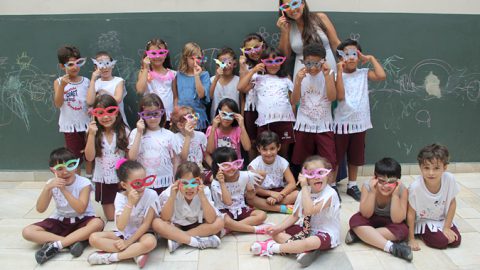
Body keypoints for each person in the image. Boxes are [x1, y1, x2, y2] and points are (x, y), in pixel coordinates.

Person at [250, 156, 340, 267]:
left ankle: (272, 247)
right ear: (305, 177)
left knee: (309, 242)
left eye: (321, 172)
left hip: (325, 233)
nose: (316, 177)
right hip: (306, 229)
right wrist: (277, 228)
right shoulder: (304, 192)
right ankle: (307, 250)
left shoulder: (330, 194)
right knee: (277, 233)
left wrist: (304, 187)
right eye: (311, 174)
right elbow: (295, 216)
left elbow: (309, 210)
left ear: (328, 175)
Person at [22, 147, 104, 264]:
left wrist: (64, 190)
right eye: (59, 168)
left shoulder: (84, 183)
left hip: (82, 220)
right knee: (27, 232)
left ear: (76, 167)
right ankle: (71, 242)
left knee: (98, 223)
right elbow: (40, 209)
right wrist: (47, 188)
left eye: (70, 166)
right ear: (52, 171)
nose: (65, 171)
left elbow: (81, 209)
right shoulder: (51, 184)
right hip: (61, 220)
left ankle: (56, 245)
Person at [333, 38, 386, 201]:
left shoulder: (363, 74)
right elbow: (340, 96)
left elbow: (381, 75)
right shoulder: (335, 75)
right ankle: (332, 186)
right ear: (341, 57)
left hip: (359, 123)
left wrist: (370, 59)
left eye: (354, 54)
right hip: (341, 123)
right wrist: (339, 72)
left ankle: (352, 185)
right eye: (346, 54)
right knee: (336, 156)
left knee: (355, 156)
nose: (350, 58)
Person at [88, 159, 158, 268]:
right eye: (138, 183)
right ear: (124, 185)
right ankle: (135, 253)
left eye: (145, 180)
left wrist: (128, 242)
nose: (143, 186)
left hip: (142, 234)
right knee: (93, 238)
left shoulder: (151, 195)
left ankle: (111, 257)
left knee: (150, 242)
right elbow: (120, 226)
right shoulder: (120, 198)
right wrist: (129, 203)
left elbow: (146, 225)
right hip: (123, 235)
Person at [291, 42, 337, 194]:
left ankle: (331, 187)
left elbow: (332, 97)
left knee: (329, 158)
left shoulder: (329, 74)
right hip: (304, 124)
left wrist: (327, 76)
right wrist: (297, 81)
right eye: (308, 63)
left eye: (316, 63)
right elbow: (294, 100)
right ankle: (304, 185)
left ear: (323, 61)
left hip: (324, 124)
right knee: (302, 157)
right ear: (303, 61)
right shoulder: (300, 74)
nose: (312, 67)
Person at [346, 158, 412, 261]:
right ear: (375, 178)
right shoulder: (368, 186)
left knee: (403, 230)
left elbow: (397, 220)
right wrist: (372, 192)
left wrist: (395, 196)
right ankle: (392, 247)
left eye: (391, 182)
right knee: (355, 220)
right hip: (372, 217)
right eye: (381, 181)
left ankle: (360, 235)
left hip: (390, 221)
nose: (385, 186)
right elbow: (366, 214)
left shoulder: (402, 190)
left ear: (398, 181)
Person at [152, 162, 224, 253]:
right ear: (177, 183)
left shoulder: (204, 191)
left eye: (193, 183)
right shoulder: (169, 192)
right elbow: (165, 218)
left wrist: (202, 197)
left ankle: (179, 240)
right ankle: (197, 242)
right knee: (156, 223)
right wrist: (172, 197)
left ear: (200, 181)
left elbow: (211, 219)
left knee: (219, 222)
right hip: (176, 226)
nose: (189, 187)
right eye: (185, 183)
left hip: (198, 226)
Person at [238, 47, 296, 158]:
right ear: (263, 63)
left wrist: (293, 120)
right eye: (269, 62)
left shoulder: (286, 78)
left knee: (283, 154)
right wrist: (253, 71)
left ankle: (282, 174)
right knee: (265, 152)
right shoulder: (258, 77)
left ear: (282, 61)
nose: (273, 65)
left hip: (285, 121)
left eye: (277, 61)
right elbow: (241, 87)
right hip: (265, 122)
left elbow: (292, 101)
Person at [408, 144, 461, 250]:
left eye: (436, 168)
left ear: (444, 167)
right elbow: (410, 213)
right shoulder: (415, 187)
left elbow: (452, 203)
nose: (431, 173)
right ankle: (422, 234)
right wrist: (411, 239)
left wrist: (446, 227)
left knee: (455, 241)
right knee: (441, 242)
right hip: (424, 221)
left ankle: (443, 229)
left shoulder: (449, 179)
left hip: (442, 219)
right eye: (426, 168)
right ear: (420, 167)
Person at [85, 95, 129, 220]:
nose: (105, 116)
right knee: (111, 218)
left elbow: (129, 157)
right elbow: (89, 157)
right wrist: (92, 135)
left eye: (110, 111)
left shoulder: (123, 131)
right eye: (100, 113)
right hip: (103, 179)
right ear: (94, 115)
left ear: (117, 112)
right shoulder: (93, 133)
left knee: (125, 214)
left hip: (121, 179)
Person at [210, 147, 270, 236]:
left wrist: (253, 190)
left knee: (262, 215)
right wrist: (222, 183)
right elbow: (228, 202)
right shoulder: (216, 183)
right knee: (223, 220)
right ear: (218, 167)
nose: (231, 168)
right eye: (226, 165)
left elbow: (263, 174)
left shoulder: (244, 176)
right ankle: (250, 229)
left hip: (240, 208)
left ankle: (230, 229)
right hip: (225, 211)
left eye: (234, 163)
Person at [277, 0, 341, 83]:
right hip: (303, 74)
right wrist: (284, 31)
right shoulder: (288, 27)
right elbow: (285, 56)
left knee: (330, 95)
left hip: (327, 68)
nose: (292, 9)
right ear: (283, 10)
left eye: (295, 3)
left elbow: (335, 43)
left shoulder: (320, 18)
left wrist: (346, 64)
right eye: (286, 6)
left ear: (303, 4)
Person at [53, 45, 92, 176]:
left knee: (89, 153)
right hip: (70, 126)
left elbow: (91, 101)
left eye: (78, 63)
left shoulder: (86, 81)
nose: (75, 67)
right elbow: (58, 104)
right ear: (62, 66)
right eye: (70, 64)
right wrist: (62, 86)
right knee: (74, 156)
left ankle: (89, 177)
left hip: (86, 123)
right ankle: (78, 179)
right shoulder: (59, 82)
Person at [128, 93, 176, 195]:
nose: (152, 118)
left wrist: (175, 181)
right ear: (141, 115)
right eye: (148, 114)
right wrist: (139, 133)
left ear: (162, 113)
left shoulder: (169, 135)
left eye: (156, 114)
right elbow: (132, 158)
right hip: (144, 183)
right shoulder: (135, 133)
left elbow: (175, 161)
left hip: (165, 182)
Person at [247, 131, 298, 214]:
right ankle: (281, 208)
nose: (268, 153)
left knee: (297, 194)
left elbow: (292, 183)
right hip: (262, 192)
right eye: (264, 149)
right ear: (258, 149)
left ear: (278, 147)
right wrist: (270, 193)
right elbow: (252, 187)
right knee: (250, 198)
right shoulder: (254, 165)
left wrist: (279, 196)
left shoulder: (282, 162)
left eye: (272, 148)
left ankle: (266, 206)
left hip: (279, 192)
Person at [237, 33, 267, 161]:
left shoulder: (271, 62)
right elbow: (242, 88)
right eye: (248, 49)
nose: (253, 52)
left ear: (263, 46)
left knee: (266, 141)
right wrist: (243, 66)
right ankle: (253, 168)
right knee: (252, 142)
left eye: (256, 47)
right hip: (251, 108)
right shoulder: (247, 66)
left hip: (266, 109)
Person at [136, 38, 176, 127]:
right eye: (153, 53)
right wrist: (146, 68)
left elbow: (175, 96)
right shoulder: (144, 72)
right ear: (147, 55)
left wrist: (175, 114)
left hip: (168, 117)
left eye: (161, 53)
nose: (157, 56)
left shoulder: (172, 74)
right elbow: (140, 90)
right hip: (150, 116)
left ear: (166, 54)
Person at [173, 42, 211, 131]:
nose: (195, 61)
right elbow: (176, 97)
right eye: (192, 58)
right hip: (181, 118)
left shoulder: (204, 75)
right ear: (185, 58)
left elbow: (201, 95)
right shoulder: (178, 75)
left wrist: (197, 75)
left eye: (198, 58)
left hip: (198, 118)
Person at [87, 51, 129, 126]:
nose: (105, 67)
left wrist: (103, 92)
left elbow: (118, 99)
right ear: (96, 67)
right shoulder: (95, 83)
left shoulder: (118, 81)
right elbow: (90, 102)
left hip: (118, 122)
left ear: (112, 65)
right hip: (101, 123)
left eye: (107, 63)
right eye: (100, 64)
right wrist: (93, 80)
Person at [210, 47, 240, 121]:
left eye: (229, 62)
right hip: (216, 120)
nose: (226, 66)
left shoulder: (239, 81)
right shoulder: (212, 80)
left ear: (235, 64)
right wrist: (216, 79)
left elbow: (242, 101)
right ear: (217, 65)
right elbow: (209, 97)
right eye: (222, 63)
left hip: (233, 121)